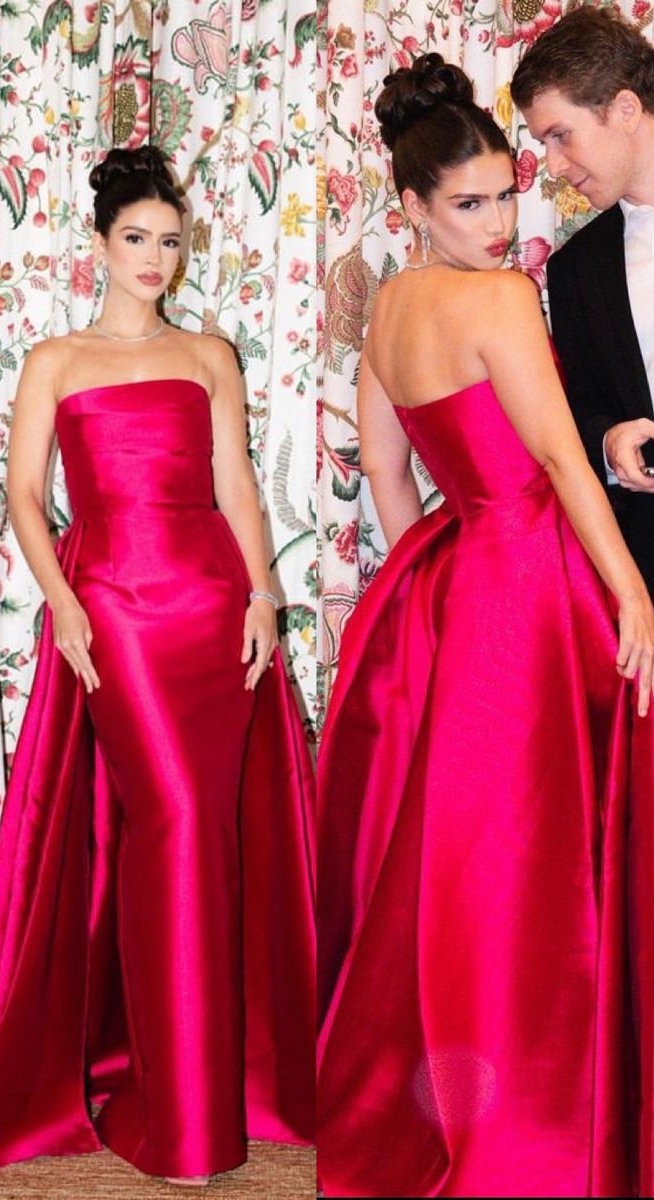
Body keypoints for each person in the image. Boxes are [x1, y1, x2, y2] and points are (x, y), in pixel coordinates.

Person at [317, 55, 654, 1199]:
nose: (501, 223)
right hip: (535, 589)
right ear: (412, 205)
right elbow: (559, 462)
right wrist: (633, 593)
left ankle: (465, 1096)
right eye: (470, 203)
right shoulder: (504, 298)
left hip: (461, 590)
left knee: (472, 854)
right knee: (540, 858)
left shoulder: (385, 312)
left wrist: (435, 569)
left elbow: (386, 474)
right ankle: (543, 1116)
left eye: (508, 194)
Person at [0, 146, 315, 1186]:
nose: (155, 258)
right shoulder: (55, 360)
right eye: (136, 238)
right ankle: (178, 1112)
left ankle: (196, 1093)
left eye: (170, 242)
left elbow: (236, 485)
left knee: (205, 830)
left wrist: (262, 596)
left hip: (213, 605)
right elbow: (23, 497)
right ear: (99, 244)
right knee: (169, 820)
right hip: (115, 611)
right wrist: (63, 602)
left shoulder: (210, 355)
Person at [511, 5, 654, 596]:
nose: (551, 165)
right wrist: (609, 442)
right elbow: (583, 410)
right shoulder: (573, 270)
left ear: (625, 109)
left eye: (560, 135)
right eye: (543, 142)